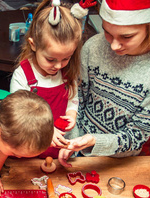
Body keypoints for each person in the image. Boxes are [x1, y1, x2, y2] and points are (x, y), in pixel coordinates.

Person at [59, 0, 150, 166]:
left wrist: (95, 141)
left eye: (126, 37)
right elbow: (76, 100)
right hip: (74, 149)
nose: (114, 46)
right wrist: (73, 141)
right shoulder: (93, 47)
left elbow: (137, 134)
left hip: (118, 162)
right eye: (107, 32)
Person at [10, 0, 96, 158]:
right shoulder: (22, 75)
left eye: (66, 58)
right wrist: (47, 131)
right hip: (32, 142)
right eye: (51, 60)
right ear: (33, 45)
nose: (58, 66)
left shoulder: (67, 72)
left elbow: (73, 98)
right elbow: (19, 116)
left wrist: (71, 114)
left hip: (61, 144)